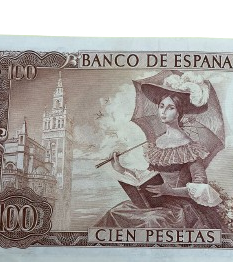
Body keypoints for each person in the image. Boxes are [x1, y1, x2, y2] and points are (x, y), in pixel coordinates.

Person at [96, 81, 226, 232]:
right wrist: (122, 169)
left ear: (179, 112)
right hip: (155, 203)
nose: (163, 111)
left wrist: (170, 191)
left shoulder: (189, 146)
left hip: (177, 207)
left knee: (152, 220)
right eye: (161, 106)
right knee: (115, 212)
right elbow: (149, 175)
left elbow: (201, 185)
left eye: (170, 108)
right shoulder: (157, 141)